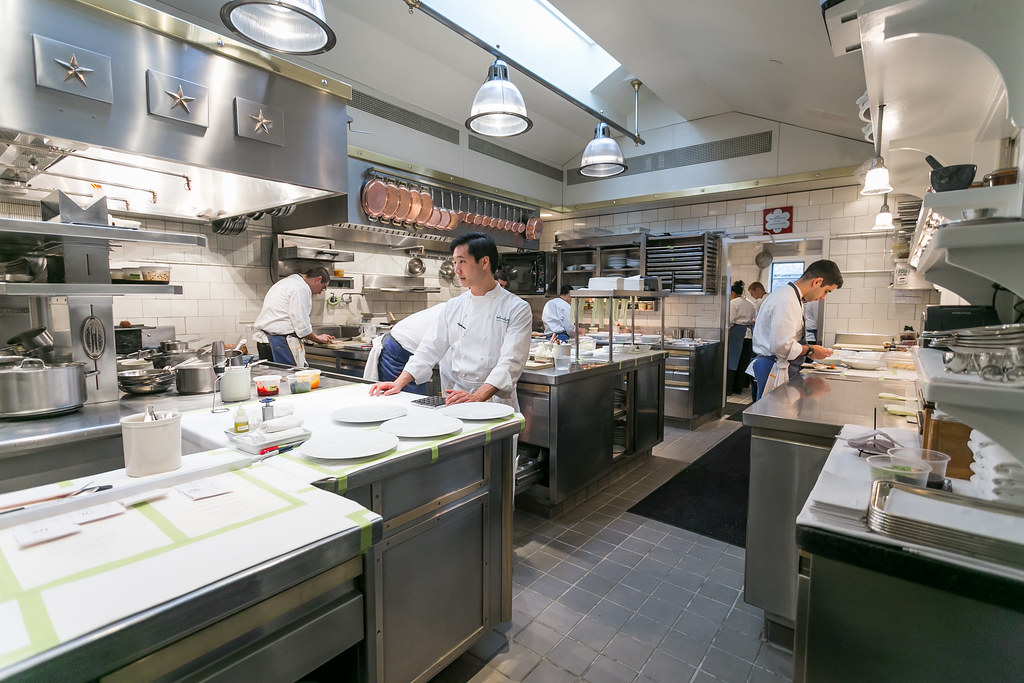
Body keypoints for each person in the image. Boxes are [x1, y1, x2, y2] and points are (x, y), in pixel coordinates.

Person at [369, 233, 532, 408]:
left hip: (495, 400)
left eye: (462, 261)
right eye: (455, 262)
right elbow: (428, 350)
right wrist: (398, 383)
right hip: (457, 397)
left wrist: (478, 396)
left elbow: (511, 361)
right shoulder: (453, 306)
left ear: (484, 262)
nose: (456, 270)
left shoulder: (516, 308)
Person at [748, 260, 843, 401]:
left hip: (773, 364)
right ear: (817, 282)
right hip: (771, 366)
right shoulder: (787, 300)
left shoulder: (790, 295)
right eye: (826, 291)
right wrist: (811, 350)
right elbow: (781, 346)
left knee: (773, 413)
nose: (823, 297)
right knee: (772, 415)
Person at [252, 266, 333, 366]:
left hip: (265, 342)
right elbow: (302, 327)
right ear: (318, 279)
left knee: (273, 379)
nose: (320, 292)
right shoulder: (301, 288)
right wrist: (318, 339)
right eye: (323, 287)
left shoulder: (288, 282)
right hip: (280, 343)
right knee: (289, 378)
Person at [363, 303, 449, 395]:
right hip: (397, 351)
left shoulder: (453, 308)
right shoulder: (454, 310)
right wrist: (398, 383)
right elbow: (437, 358)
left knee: (415, 401)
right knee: (404, 400)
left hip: (410, 350)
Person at [727, 280, 756, 394]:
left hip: (737, 333)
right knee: (744, 361)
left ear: (732, 293)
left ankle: (729, 389)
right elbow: (754, 317)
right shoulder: (750, 302)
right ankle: (739, 388)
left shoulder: (734, 303)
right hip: (748, 334)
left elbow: (729, 320)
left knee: (732, 361)